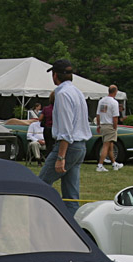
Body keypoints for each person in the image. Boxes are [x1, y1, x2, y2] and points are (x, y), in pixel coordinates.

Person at [38, 59, 90, 214]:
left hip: (69, 147)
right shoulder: (77, 92)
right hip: (80, 146)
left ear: (55, 75)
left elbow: (66, 129)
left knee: (40, 184)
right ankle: (74, 228)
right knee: (71, 196)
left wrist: (60, 157)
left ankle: (40, 217)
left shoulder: (62, 94)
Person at [95, 84, 122, 172]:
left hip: (102, 124)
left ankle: (114, 164)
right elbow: (115, 117)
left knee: (110, 145)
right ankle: (100, 165)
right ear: (115, 92)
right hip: (110, 125)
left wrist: (98, 125)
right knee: (106, 145)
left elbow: (98, 114)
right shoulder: (114, 102)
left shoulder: (101, 101)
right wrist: (115, 127)